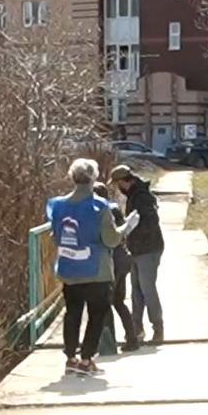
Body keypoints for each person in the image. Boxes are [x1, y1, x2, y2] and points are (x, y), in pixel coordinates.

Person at [48, 159, 135, 375]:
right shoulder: (100, 207)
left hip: (69, 269)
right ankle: (86, 360)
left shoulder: (58, 205)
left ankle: (71, 358)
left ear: (72, 177)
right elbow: (111, 239)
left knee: (72, 313)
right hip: (97, 270)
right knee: (97, 315)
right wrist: (126, 227)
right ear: (93, 178)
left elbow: (55, 236)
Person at [110, 164, 165, 344]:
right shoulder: (135, 195)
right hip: (136, 249)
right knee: (136, 290)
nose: (118, 188)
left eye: (117, 184)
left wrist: (131, 228)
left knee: (147, 289)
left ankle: (157, 328)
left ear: (123, 182)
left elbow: (150, 221)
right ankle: (137, 329)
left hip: (148, 248)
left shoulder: (141, 197)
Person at [96, 181, 143, 352]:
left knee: (104, 302)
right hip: (123, 259)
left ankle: (106, 344)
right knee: (118, 301)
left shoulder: (100, 211)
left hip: (112, 262)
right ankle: (132, 339)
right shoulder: (114, 208)